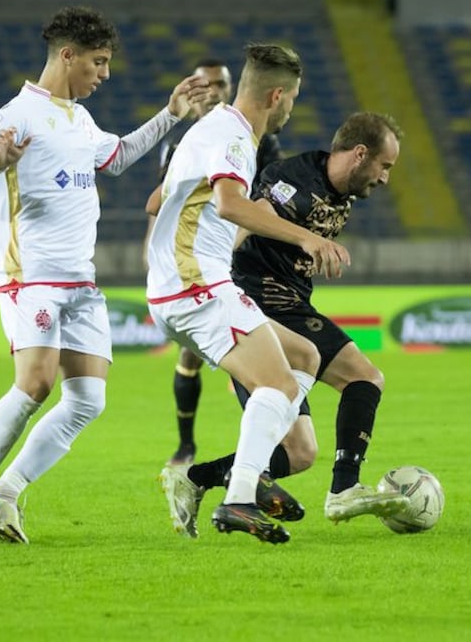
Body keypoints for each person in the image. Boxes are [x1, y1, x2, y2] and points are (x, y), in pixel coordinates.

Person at [0, 6, 208, 546]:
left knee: (88, 399)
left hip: (80, 282)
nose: (104, 73)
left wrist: (170, 115)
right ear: (68, 55)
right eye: (98, 61)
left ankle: (6, 492)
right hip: (32, 276)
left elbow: (118, 157)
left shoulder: (79, 119)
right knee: (36, 384)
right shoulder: (18, 113)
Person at [160, 112, 412, 537]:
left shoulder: (341, 191)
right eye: (384, 166)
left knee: (299, 452)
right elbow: (247, 217)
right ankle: (344, 490)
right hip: (259, 303)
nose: (385, 178)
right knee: (364, 377)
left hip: (290, 304)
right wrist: (213, 277)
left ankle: (194, 478)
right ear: (359, 154)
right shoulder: (292, 180)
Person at [147, 43, 351, 544]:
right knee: (277, 386)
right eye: (293, 99)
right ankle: (239, 497)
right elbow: (230, 204)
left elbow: (157, 201)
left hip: (181, 282)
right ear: (277, 95)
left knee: (303, 356)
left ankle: (246, 472)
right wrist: (307, 238)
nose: (292, 109)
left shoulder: (207, 130)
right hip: (197, 282)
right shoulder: (235, 136)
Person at [143, 58, 284, 466]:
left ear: (232, 87)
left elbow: (265, 203)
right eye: (204, 85)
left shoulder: (257, 140)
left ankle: (260, 458)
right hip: (197, 267)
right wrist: (152, 248)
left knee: (270, 363)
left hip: (239, 261)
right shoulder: (187, 142)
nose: (213, 92)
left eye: (221, 84)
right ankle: (190, 448)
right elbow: (163, 203)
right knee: (224, 363)